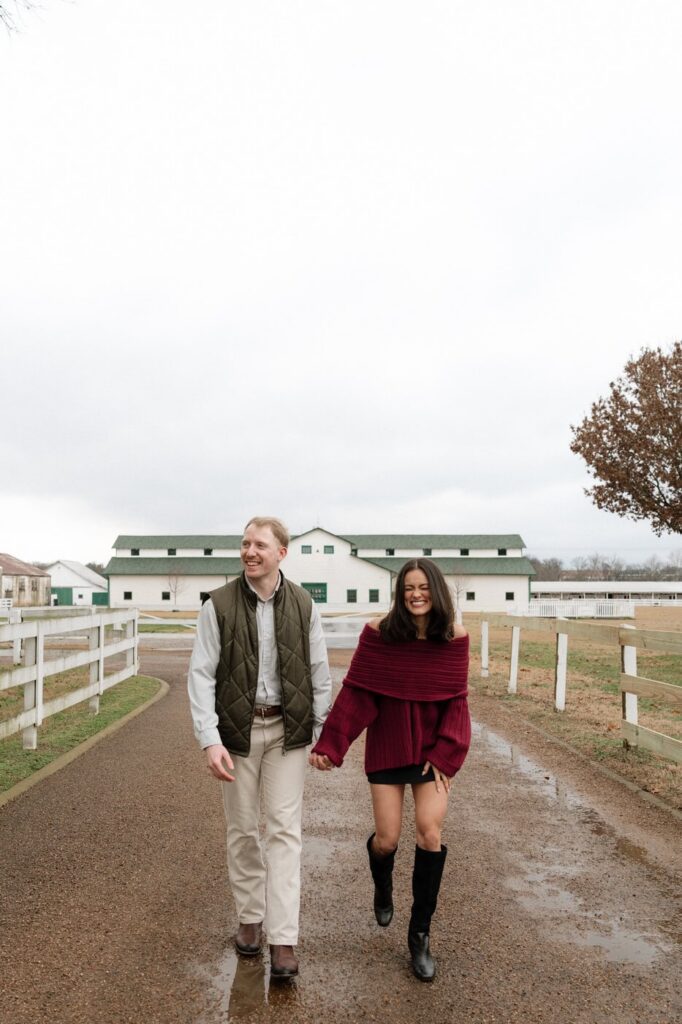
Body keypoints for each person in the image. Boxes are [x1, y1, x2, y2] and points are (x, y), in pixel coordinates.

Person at [309, 558, 470, 982]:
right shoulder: (379, 635)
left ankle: (419, 936)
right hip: (388, 746)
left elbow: (457, 701)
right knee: (387, 838)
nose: (416, 595)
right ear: (400, 595)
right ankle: (382, 883)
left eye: (424, 588)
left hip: (433, 752)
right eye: (408, 589)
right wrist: (331, 744)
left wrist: (448, 753)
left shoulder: (454, 638)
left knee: (429, 832)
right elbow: (357, 696)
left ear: (437, 591)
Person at [188, 516, 332, 979]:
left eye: (260, 545)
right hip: (238, 734)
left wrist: (323, 732)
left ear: (281, 553)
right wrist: (209, 739)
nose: (250, 551)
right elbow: (201, 673)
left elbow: (319, 672)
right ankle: (250, 919)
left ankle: (283, 938)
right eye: (245, 543)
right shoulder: (219, 605)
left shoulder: (306, 604)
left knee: (285, 831)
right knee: (243, 829)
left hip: (288, 732)